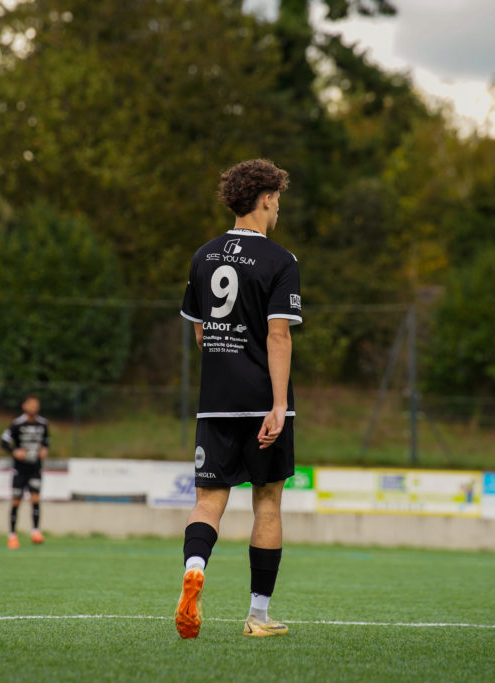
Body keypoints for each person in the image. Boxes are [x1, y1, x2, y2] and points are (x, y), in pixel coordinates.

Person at [175, 159, 302, 639]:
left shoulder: (203, 256)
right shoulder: (281, 260)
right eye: (278, 200)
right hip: (263, 401)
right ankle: (258, 616)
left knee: (208, 501)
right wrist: (277, 405)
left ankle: (195, 568)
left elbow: (201, 334)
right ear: (266, 198)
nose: (278, 209)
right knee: (267, 503)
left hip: (216, 400)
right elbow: (278, 336)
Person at [0, 394, 49, 547]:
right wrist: (14, 451)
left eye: (36, 405)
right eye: (31, 405)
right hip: (20, 469)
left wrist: (44, 449)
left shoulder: (43, 424)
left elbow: (47, 441)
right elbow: (3, 441)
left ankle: (35, 532)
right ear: (24, 406)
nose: (34, 408)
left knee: (35, 499)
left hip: (35, 467)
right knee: (16, 500)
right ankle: (12, 535)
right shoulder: (17, 424)